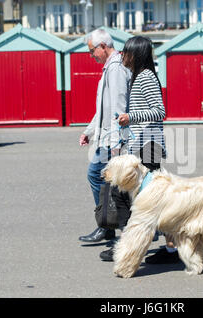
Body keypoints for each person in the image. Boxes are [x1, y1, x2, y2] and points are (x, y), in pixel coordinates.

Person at [99, 36, 180, 264]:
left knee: (134, 196)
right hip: (141, 145)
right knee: (140, 197)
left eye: (126, 52)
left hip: (148, 146)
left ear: (137, 54)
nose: (122, 55)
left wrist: (130, 117)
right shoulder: (138, 76)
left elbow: (159, 111)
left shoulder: (145, 77)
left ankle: (134, 246)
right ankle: (156, 247)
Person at [78, 29, 132, 243]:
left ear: (103, 46)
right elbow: (103, 109)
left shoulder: (116, 68)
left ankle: (110, 225)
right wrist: (88, 131)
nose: (91, 55)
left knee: (99, 176)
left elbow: (118, 109)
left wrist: (116, 144)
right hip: (105, 138)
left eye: (92, 51)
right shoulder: (108, 68)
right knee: (108, 180)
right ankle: (110, 224)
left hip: (113, 140)